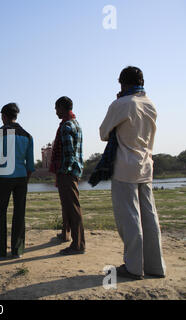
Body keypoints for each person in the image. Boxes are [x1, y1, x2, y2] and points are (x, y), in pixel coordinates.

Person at [99, 66, 166, 280]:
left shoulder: (121, 104)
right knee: (150, 217)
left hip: (124, 167)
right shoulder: (150, 104)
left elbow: (103, 133)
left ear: (122, 84)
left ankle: (134, 267)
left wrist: (118, 102)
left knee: (129, 218)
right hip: (146, 165)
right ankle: (155, 266)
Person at [0, 103, 35, 260]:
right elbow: (30, 165)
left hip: (5, 178)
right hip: (21, 178)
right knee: (19, 213)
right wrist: (25, 182)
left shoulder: (0, 133)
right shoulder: (27, 135)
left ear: (4, 116)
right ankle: (17, 250)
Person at [49, 96, 86, 255]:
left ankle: (78, 245)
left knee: (72, 207)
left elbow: (69, 154)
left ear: (62, 108)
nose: (56, 112)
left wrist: (62, 171)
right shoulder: (76, 123)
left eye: (57, 108)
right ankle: (66, 234)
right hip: (74, 171)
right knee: (68, 205)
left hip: (67, 172)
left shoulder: (66, 126)